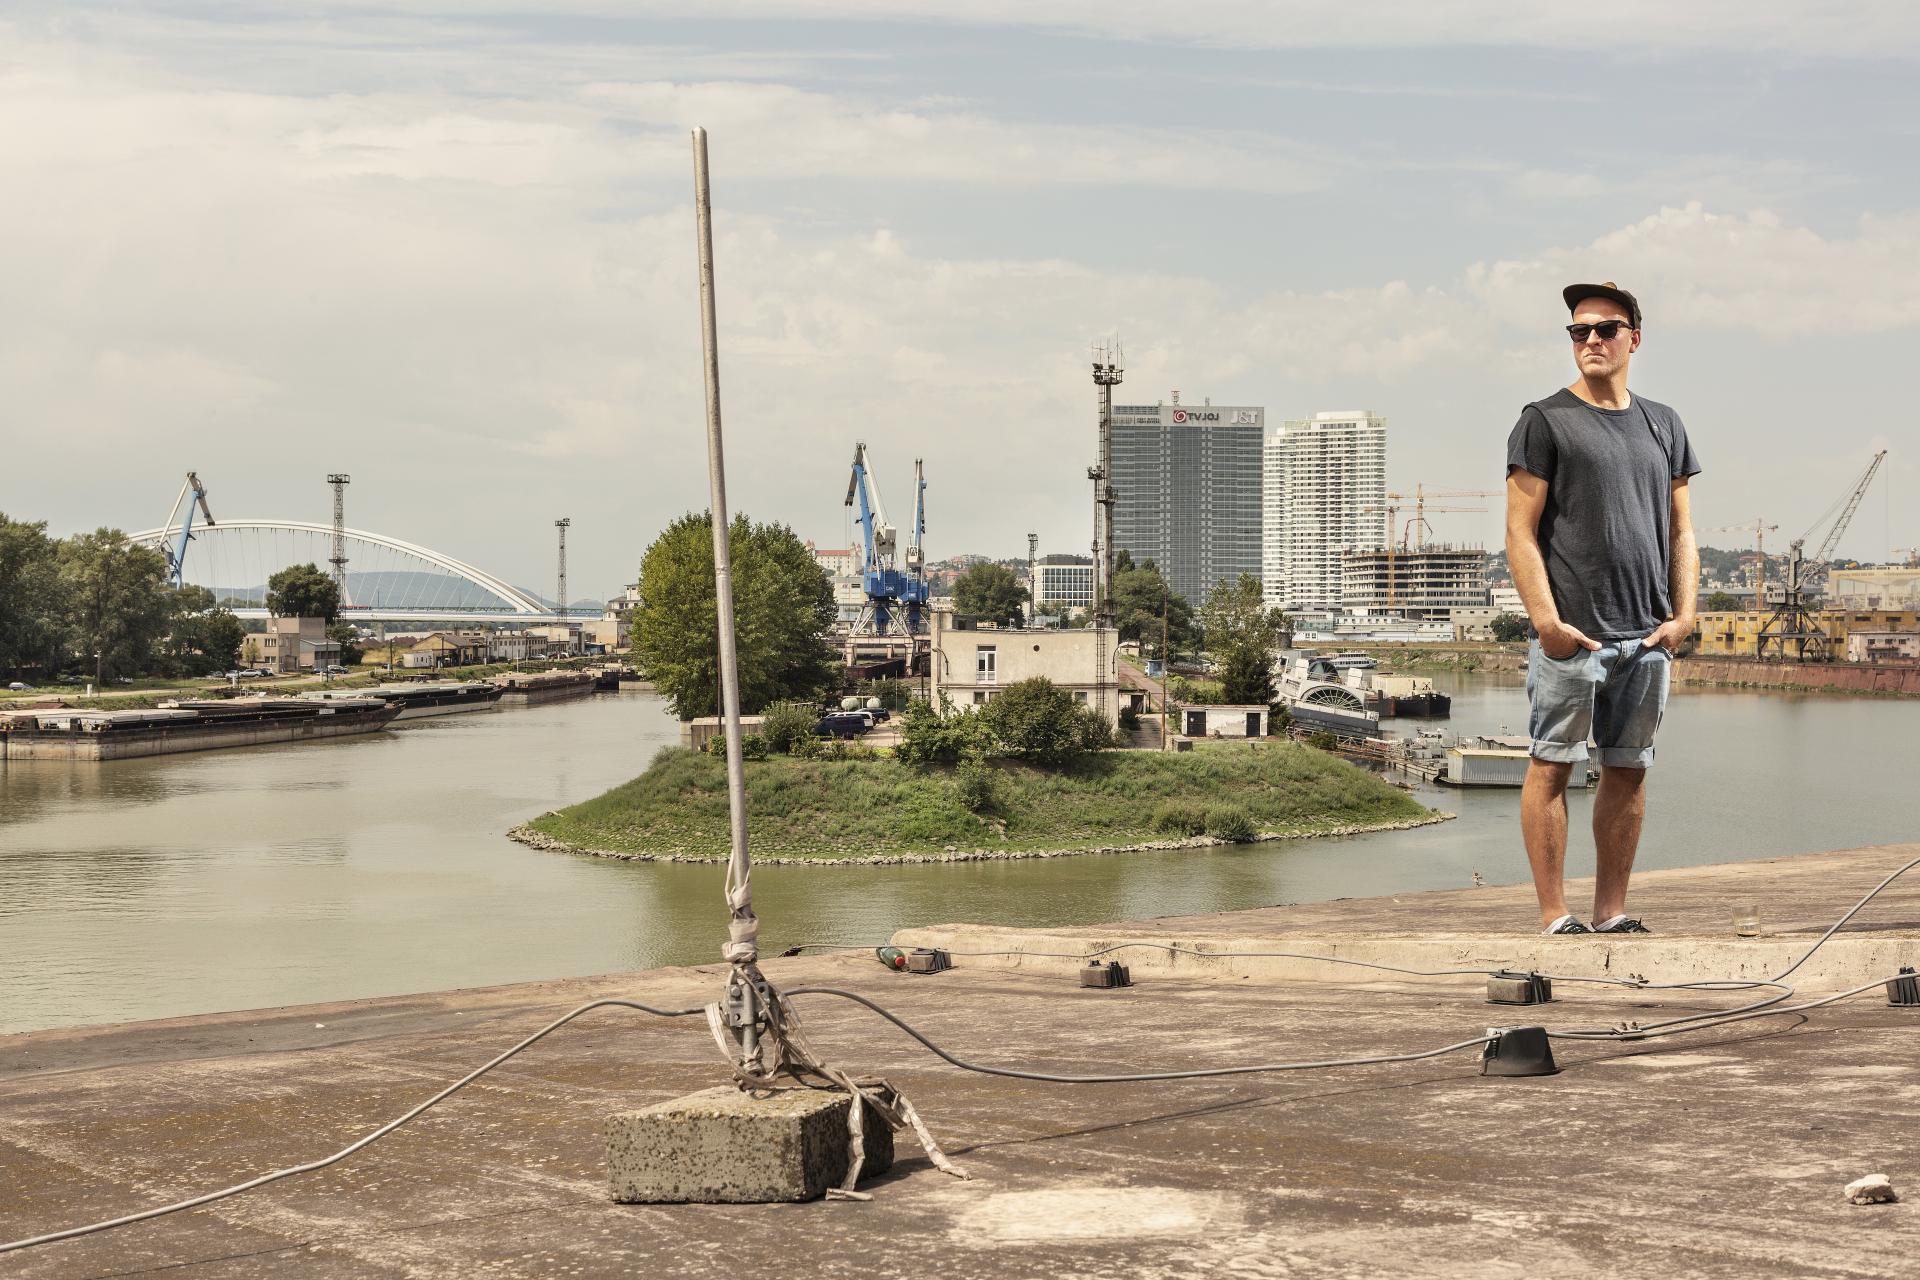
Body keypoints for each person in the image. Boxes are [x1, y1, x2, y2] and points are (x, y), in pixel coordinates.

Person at [1504, 281, 1700, 935]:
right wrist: (1546, 624)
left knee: (1628, 772)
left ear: (1634, 340)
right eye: (1579, 331)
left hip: (1646, 638)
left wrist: (1684, 617)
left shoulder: (1664, 424)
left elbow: (1682, 532)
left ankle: (1611, 911)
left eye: (1606, 329)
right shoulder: (1544, 420)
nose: (1590, 340)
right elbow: (1518, 531)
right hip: (1574, 637)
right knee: (1552, 765)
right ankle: (1555, 915)